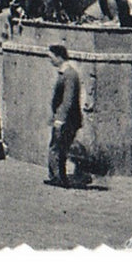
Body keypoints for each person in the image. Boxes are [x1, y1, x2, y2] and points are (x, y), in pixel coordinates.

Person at [46, 42, 83, 187]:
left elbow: (68, 100)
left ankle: (58, 177)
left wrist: (60, 119)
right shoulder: (66, 73)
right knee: (59, 147)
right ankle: (57, 176)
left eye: (52, 57)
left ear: (59, 57)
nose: (50, 60)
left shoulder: (69, 74)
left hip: (66, 120)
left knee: (58, 147)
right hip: (63, 118)